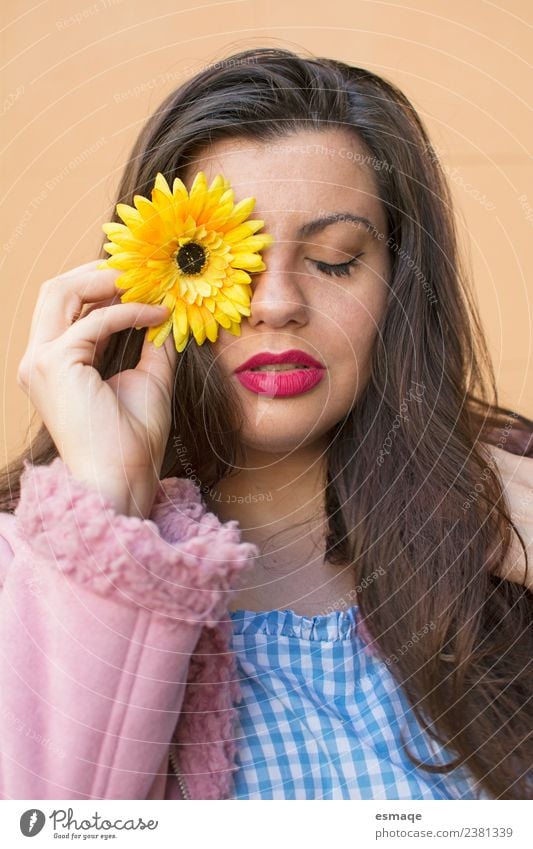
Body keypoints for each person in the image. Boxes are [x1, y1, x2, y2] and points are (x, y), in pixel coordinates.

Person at [0, 47, 532, 801]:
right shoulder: (25, 578)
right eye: (220, 259)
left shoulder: (510, 533)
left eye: (335, 259)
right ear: (147, 278)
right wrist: (106, 505)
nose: (275, 302)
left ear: (399, 290)